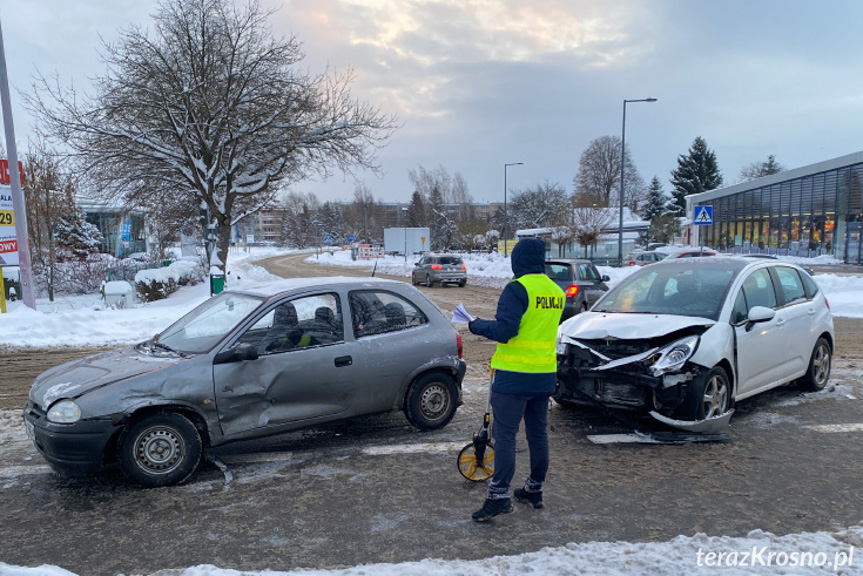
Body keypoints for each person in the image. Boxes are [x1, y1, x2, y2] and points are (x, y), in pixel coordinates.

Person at [468, 237, 564, 522]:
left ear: (517, 261)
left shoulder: (517, 288)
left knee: (506, 435)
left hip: (514, 377)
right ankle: (534, 489)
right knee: (537, 433)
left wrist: (476, 325)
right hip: (544, 375)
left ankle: (498, 496)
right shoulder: (556, 291)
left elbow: (506, 331)